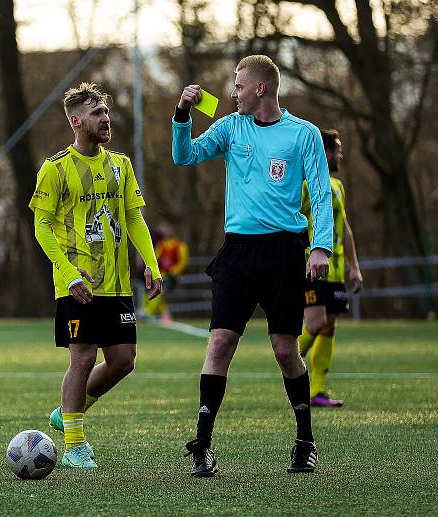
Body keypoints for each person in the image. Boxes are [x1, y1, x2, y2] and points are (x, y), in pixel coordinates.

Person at [171, 55, 334, 476]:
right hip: (238, 254)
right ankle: (203, 445)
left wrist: (321, 248)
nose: (233, 92)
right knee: (220, 343)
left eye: (239, 86)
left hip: (284, 253)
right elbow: (185, 156)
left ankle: (305, 441)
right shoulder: (230, 126)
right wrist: (183, 114)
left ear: (260, 88)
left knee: (284, 350)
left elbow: (320, 194)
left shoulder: (304, 134)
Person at [29, 83, 163, 469]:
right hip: (78, 284)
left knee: (124, 361)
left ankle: (69, 410)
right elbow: (41, 226)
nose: (106, 119)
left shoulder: (121, 165)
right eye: (96, 114)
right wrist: (68, 273)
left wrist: (151, 264)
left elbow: (134, 217)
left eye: (106, 112)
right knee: (83, 358)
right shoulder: (55, 169)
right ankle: (74, 444)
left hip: (117, 282)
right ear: (76, 121)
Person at [298, 129, 363, 407]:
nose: (340, 154)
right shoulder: (303, 184)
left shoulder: (337, 186)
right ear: (324, 152)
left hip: (334, 271)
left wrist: (354, 266)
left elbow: (344, 228)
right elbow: (291, 217)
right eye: (336, 149)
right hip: (311, 266)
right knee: (315, 323)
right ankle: (287, 358)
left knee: (329, 328)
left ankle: (316, 391)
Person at [143, 222, 189, 322]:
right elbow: (155, 257)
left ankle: (148, 312)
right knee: (156, 293)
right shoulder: (161, 244)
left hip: (172, 275)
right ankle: (165, 314)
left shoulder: (180, 245)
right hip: (161, 274)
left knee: (160, 292)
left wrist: (175, 271)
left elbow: (183, 261)